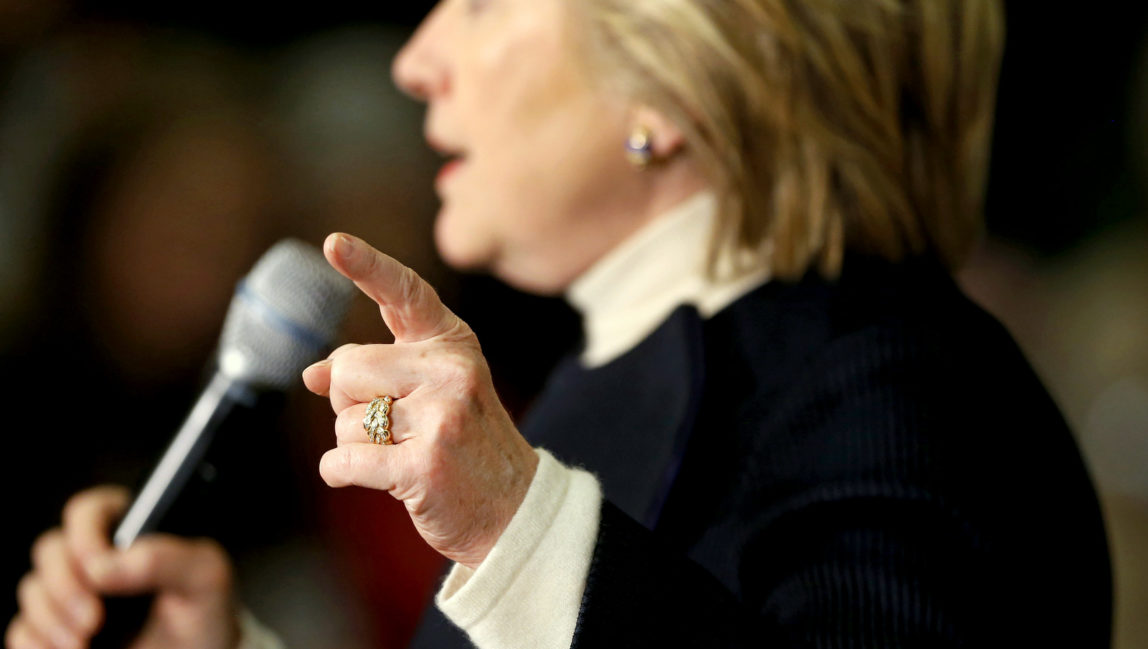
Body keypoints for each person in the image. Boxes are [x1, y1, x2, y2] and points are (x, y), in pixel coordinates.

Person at [6, 0, 1113, 648]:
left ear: (672, 69)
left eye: (483, 0)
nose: (414, 60)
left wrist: (518, 533)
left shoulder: (895, 381)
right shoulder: (623, 375)